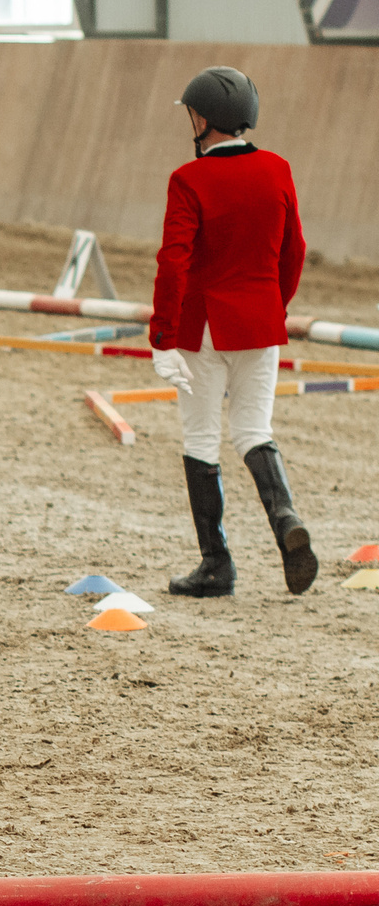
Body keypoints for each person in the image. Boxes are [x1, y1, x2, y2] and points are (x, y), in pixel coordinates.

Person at [150, 67, 316, 598]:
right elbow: (295, 252)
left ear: (204, 119)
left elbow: (173, 263)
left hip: (203, 331)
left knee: (201, 439)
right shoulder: (278, 169)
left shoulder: (188, 179)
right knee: (253, 431)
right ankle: (284, 514)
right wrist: (272, 306)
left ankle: (216, 565)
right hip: (260, 325)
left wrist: (161, 336)